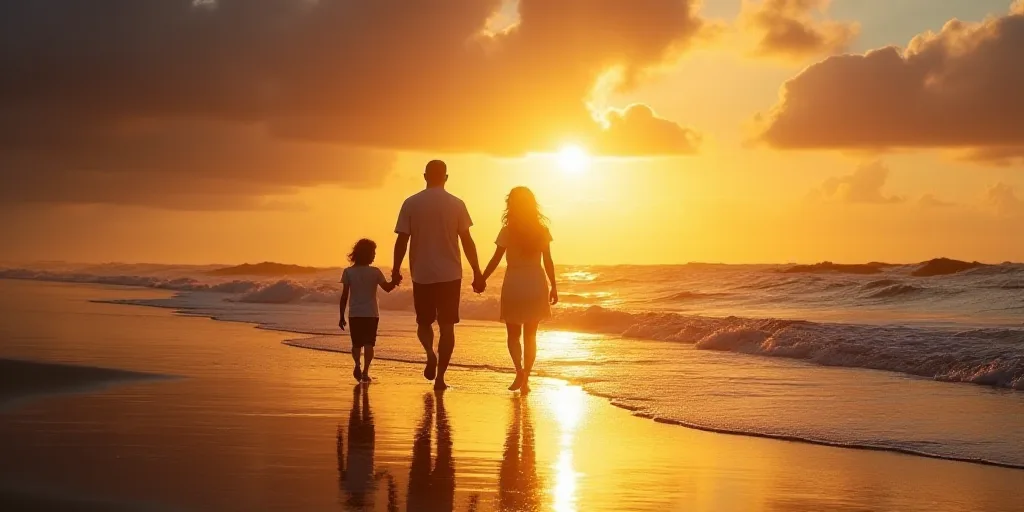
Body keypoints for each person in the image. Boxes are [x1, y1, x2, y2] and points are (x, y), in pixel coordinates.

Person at [393, 160, 484, 390]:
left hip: (421, 273)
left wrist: (395, 270)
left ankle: (429, 353)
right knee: (447, 327)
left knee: (424, 323)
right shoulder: (456, 204)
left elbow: (402, 240)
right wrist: (477, 271)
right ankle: (441, 378)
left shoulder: (411, 203)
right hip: (450, 274)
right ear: (446, 177)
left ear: (425, 176)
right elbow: (467, 241)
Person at [480, 187, 558, 393]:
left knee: (513, 333)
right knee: (531, 334)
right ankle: (526, 378)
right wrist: (554, 286)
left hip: (514, 281)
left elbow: (496, 259)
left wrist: (482, 278)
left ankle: (519, 371)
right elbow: (548, 261)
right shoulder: (541, 230)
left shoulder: (507, 231)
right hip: (535, 281)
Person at [339, 239, 401, 382]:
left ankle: (357, 365)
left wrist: (341, 316)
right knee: (369, 343)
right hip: (371, 314)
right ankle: (365, 371)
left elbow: (344, 296)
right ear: (366, 253)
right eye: (373, 252)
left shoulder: (348, 272)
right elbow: (387, 288)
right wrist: (395, 281)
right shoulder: (375, 272)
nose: (374, 256)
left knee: (356, 344)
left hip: (354, 314)